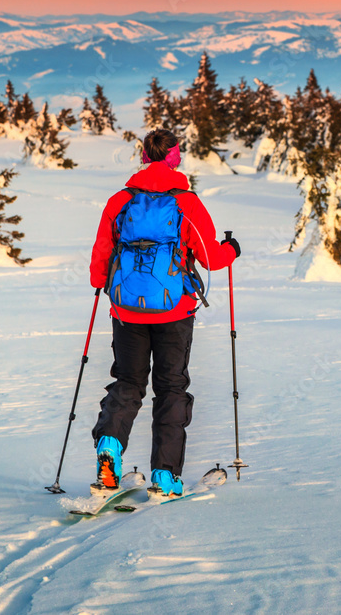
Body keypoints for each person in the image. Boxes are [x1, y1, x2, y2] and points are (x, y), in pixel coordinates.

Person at [89, 128, 239, 496]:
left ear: (143, 156)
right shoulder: (186, 202)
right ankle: (165, 476)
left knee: (127, 383)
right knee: (171, 387)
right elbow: (211, 257)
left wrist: (103, 286)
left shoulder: (120, 201)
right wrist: (231, 249)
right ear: (175, 157)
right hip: (174, 311)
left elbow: (100, 258)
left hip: (126, 311)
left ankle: (109, 450)